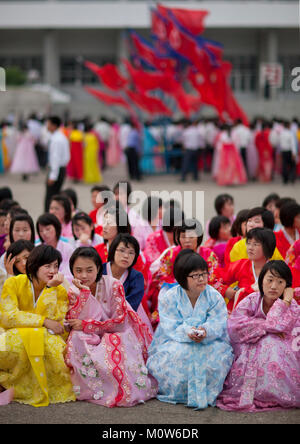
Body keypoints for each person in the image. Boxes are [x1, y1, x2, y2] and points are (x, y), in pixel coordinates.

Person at [64, 247, 158, 407]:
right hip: (90, 334)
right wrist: (85, 294)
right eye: (78, 270)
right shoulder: (73, 290)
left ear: (98, 268)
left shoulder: (113, 284)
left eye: (89, 270)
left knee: (115, 341)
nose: (84, 275)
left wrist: (88, 325)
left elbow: (120, 322)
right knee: (76, 338)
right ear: (72, 270)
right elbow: (73, 320)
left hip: (117, 330)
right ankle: (93, 388)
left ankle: (117, 388)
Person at [147, 250, 233, 409]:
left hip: (210, 340)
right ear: (182, 278)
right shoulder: (169, 296)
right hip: (177, 339)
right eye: (195, 276)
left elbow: (219, 321)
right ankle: (180, 393)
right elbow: (169, 323)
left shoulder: (214, 296)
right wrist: (188, 332)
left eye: (204, 274)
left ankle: (206, 393)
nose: (201, 279)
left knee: (217, 358)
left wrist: (205, 331)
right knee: (176, 355)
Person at [217, 261, 300, 412]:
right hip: (249, 344)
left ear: (287, 286)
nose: (274, 286)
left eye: (280, 282)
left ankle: (273, 393)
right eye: (269, 280)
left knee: (272, 345)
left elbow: (280, 327)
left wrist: (285, 302)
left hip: (283, 346)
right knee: (265, 342)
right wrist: (265, 327)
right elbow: (235, 326)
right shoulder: (251, 299)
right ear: (261, 281)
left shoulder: (291, 305)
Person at [0, 244, 75, 406]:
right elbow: (8, 317)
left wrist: (49, 289)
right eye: (47, 266)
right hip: (13, 335)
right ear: (34, 266)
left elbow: (57, 324)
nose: (52, 271)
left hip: (45, 337)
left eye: (56, 266)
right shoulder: (13, 283)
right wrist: (42, 322)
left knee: (52, 347)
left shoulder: (59, 290)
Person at [147, 218, 219, 327]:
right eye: (183, 236)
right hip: (175, 294)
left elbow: (214, 278)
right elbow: (161, 277)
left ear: (198, 237)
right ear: (178, 238)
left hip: (201, 294)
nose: (187, 240)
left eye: (191, 236)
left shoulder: (209, 255)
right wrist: (181, 288)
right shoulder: (170, 254)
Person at [211, 228, 276, 313]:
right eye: (248, 243)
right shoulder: (241, 265)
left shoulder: (276, 270)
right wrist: (225, 290)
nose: (250, 248)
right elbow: (213, 278)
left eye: (255, 244)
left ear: (267, 246)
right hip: (241, 314)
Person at [36, 213, 74, 283]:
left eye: (48, 229)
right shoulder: (37, 249)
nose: (44, 233)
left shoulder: (68, 248)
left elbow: (71, 273)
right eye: (41, 230)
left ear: (56, 228)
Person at [44, 116, 70, 212]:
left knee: (51, 198)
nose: (47, 126)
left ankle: (49, 218)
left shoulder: (57, 139)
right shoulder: (60, 137)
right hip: (60, 169)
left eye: (49, 124)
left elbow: (55, 158)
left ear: (54, 126)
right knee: (54, 196)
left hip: (56, 170)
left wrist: (53, 176)